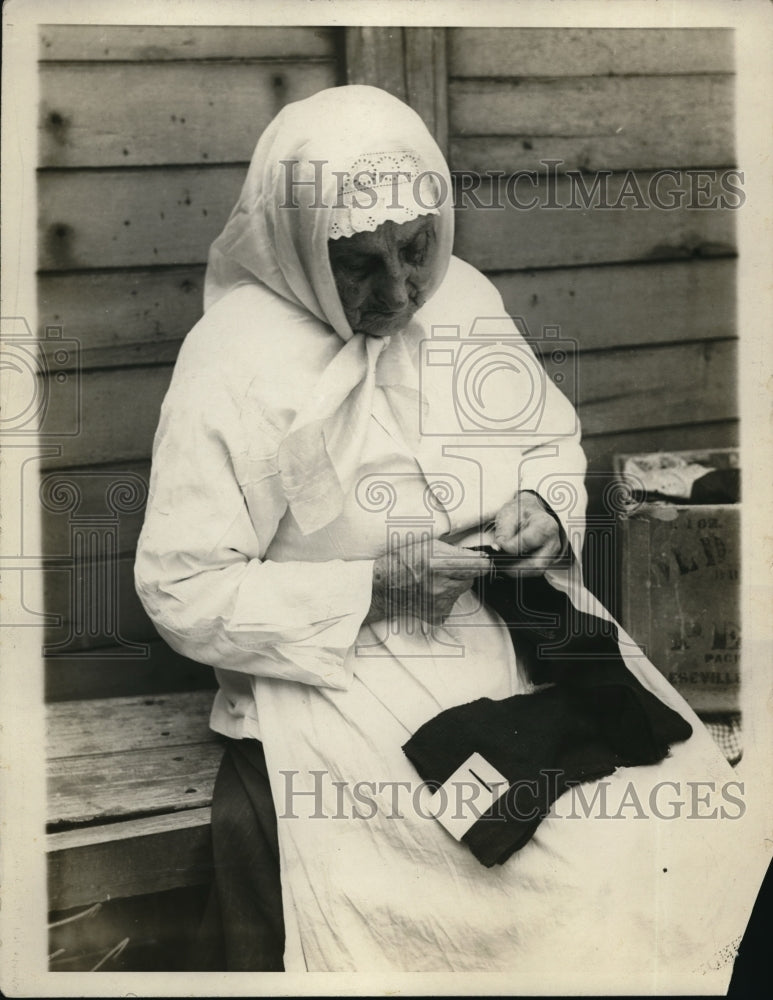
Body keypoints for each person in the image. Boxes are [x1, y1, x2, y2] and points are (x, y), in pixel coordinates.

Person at [135, 85, 756, 986]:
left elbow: (547, 437)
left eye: (415, 250)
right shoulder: (230, 361)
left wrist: (544, 510)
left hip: (522, 630)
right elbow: (181, 591)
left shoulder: (461, 297)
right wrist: (372, 587)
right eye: (357, 266)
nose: (397, 293)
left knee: (688, 817)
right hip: (348, 674)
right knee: (549, 864)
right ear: (304, 244)